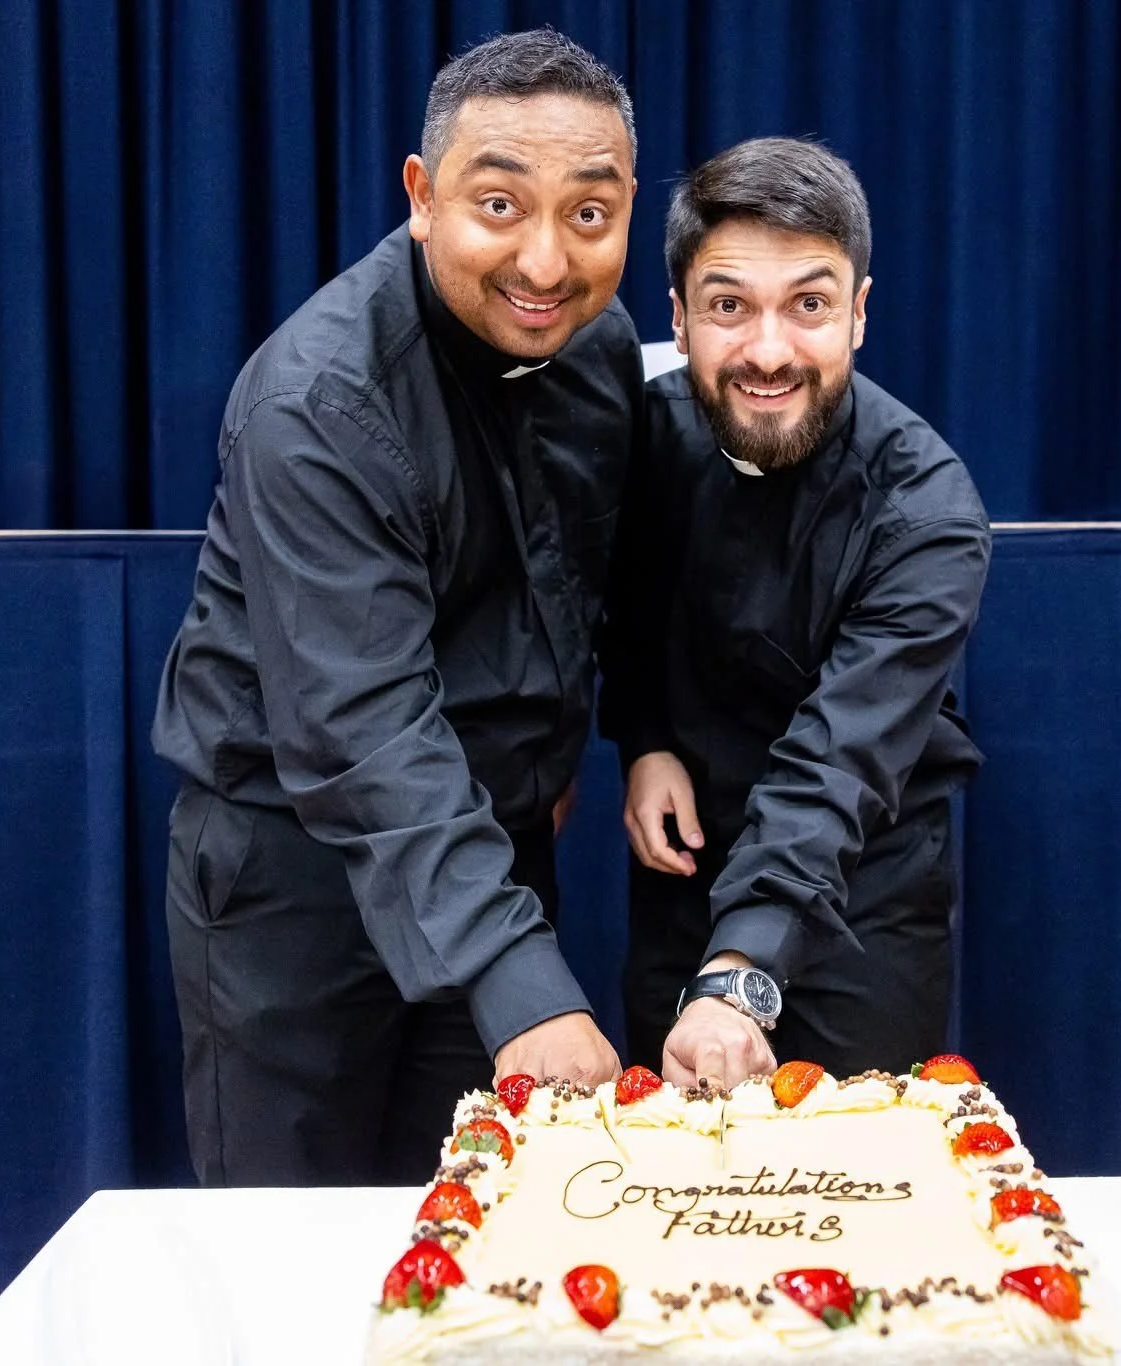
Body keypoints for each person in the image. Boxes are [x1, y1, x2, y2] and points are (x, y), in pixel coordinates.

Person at [151, 29, 640, 1187]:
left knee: (482, 1232)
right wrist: (518, 981)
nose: (545, 260)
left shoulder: (600, 346)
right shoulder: (317, 402)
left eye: (588, 213)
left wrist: (576, 739)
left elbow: (592, 576)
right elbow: (359, 727)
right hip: (297, 873)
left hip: (489, 856)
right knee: (294, 1246)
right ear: (422, 198)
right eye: (498, 205)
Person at [600, 137, 991, 1090]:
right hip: (685, 872)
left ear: (858, 314)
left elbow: (840, 761)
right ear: (679, 319)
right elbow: (622, 602)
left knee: (845, 1162)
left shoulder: (927, 510)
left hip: (863, 888)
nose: (768, 352)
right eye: (730, 307)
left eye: (809, 305)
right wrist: (645, 738)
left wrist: (739, 974)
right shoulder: (639, 433)